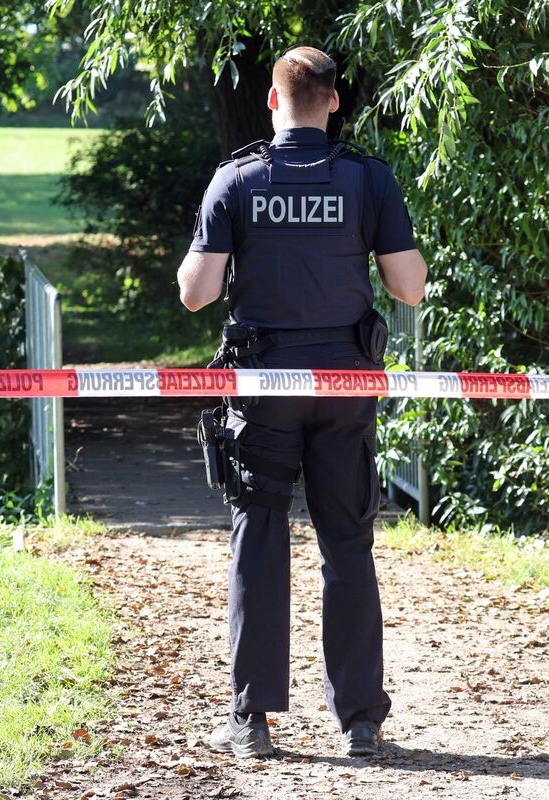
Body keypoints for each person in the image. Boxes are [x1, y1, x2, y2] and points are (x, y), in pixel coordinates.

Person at [177, 45, 427, 759]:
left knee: (258, 539)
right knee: (347, 544)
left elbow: (195, 294)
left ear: (271, 101)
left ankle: (252, 721)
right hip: (346, 385)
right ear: (335, 102)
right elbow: (409, 288)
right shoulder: (367, 180)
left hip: (262, 389)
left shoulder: (238, 178)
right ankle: (360, 723)